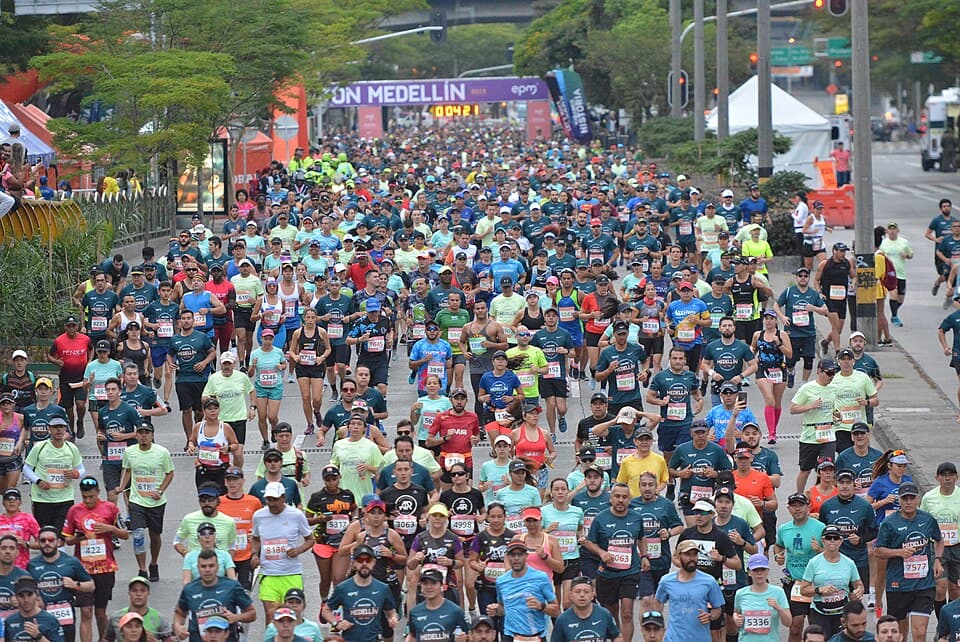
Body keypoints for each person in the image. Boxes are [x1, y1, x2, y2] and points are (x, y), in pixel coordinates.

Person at [875, 481, 942, 642]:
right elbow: (878, 551)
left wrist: (938, 560)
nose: (909, 502)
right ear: (899, 500)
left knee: (919, 632)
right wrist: (899, 552)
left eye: (912, 498)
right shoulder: (889, 523)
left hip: (924, 584)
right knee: (901, 635)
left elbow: (939, 540)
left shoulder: (927, 519)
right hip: (898, 585)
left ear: (918, 499)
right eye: (905, 499)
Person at [62, 477, 127, 642]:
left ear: (98, 493)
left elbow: (125, 534)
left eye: (91, 496)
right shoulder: (74, 511)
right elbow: (67, 539)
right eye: (85, 497)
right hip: (82, 569)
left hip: (105, 567)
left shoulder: (110, 508)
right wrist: (81, 538)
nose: (88, 500)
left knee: (100, 611)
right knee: (86, 611)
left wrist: (110, 528)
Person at [251, 481, 315, 620]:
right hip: (268, 574)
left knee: (292, 617)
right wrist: (255, 554)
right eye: (268, 500)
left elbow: (310, 539)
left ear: (283, 498)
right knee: (271, 616)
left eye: (275, 499)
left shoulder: (296, 515)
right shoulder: (259, 516)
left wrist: (298, 550)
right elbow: (255, 539)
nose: (272, 503)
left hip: (291, 573)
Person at [28, 525, 95, 642]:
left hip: (65, 613)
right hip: (42, 614)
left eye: (51, 540)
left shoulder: (71, 562)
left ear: (58, 542)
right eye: (43, 541)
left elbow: (91, 586)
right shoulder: (32, 565)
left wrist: (75, 585)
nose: (47, 543)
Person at [321, 544, 399, 642]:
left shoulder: (383, 588)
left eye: (368, 560)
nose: (364, 564)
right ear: (354, 563)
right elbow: (326, 611)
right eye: (360, 560)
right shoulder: (343, 588)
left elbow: (391, 612)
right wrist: (337, 623)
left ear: (374, 562)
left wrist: (393, 619)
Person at [173, 550, 256, 642]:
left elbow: (252, 613)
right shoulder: (190, 589)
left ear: (217, 567)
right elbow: (179, 613)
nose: (207, 570)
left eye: (211, 566)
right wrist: (178, 627)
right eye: (203, 566)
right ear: (198, 568)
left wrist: (236, 617)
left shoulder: (231, 586)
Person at [818, 469, 876, 601]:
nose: (844, 486)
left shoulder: (865, 506)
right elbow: (821, 530)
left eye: (848, 482)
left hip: (858, 560)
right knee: (835, 597)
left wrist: (861, 539)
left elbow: (874, 530)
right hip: (833, 560)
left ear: (854, 484)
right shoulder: (827, 506)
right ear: (836, 484)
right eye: (841, 482)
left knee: (855, 600)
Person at [775, 493, 826, 642]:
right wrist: (778, 556)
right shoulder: (784, 529)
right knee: (795, 627)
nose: (797, 509)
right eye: (794, 506)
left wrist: (820, 550)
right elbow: (778, 546)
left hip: (816, 583)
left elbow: (833, 554)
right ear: (789, 508)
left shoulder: (820, 527)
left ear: (808, 507)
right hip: (795, 583)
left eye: (801, 505)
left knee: (816, 628)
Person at [798, 524, 864, 637]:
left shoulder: (849, 563)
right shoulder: (814, 562)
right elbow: (803, 590)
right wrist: (819, 589)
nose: (832, 541)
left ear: (841, 541)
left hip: (842, 613)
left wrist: (858, 591)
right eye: (829, 538)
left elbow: (858, 584)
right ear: (823, 540)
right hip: (820, 612)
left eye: (836, 538)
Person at [486, 539, 560, 640]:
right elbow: (503, 609)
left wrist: (541, 606)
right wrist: (495, 610)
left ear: (526, 556)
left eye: (520, 554)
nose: (516, 558)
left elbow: (556, 611)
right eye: (512, 555)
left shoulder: (541, 577)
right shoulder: (501, 581)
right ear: (507, 557)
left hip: (536, 636)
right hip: (510, 635)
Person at [653, 539, 725, 642]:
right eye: (687, 554)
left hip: (700, 638)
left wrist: (710, 616)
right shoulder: (667, 581)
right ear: (678, 556)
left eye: (694, 554)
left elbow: (717, 609)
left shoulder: (709, 581)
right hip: (674, 638)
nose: (692, 558)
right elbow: (658, 601)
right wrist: (658, 622)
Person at [22, 416, 84, 530]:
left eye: (61, 427)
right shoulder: (40, 447)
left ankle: (60, 548)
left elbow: (81, 469)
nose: (58, 430)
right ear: (49, 429)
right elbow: (26, 468)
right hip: (42, 498)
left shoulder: (71, 448)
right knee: (46, 534)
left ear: (65, 429)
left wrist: (76, 474)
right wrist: (38, 481)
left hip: (65, 498)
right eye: (55, 427)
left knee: (61, 535)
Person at [304, 465, 356, 600]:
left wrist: (353, 520)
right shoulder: (317, 497)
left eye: (334, 478)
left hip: (342, 542)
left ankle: (338, 605)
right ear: (323, 480)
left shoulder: (347, 495)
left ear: (339, 478)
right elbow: (306, 520)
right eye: (328, 479)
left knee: (339, 578)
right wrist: (319, 519)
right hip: (323, 542)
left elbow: (355, 510)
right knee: (325, 579)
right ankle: (324, 601)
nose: (331, 482)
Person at [790, 359, 840, 493]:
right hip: (810, 434)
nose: (831, 376)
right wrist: (809, 406)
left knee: (827, 468)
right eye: (828, 373)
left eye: (833, 373)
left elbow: (835, 408)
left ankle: (826, 495)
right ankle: (799, 496)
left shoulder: (834, 388)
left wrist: (837, 415)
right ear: (819, 371)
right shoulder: (807, 388)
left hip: (828, 434)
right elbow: (793, 409)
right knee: (805, 470)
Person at [168, 310, 216, 447]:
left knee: (200, 411)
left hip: (200, 379)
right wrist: (170, 363)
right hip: (182, 379)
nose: (186, 321)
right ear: (179, 322)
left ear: (193, 320)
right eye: (183, 318)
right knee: (186, 409)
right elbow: (170, 354)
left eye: (189, 318)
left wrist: (204, 363)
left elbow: (212, 352)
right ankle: (190, 440)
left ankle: (199, 433)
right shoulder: (175, 339)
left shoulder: (202, 337)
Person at [201, 351, 256, 458]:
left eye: (229, 364)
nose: (226, 367)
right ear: (220, 364)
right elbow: (204, 397)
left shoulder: (241, 377)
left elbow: (252, 391)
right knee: (221, 452)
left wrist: (252, 408)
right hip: (222, 420)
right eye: (224, 364)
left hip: (239, 418)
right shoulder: (214, 378)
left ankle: (237, 474)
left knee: (238, 453)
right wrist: (211, 400)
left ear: (234, 364)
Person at [48, 316, 92, 440]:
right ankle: (71, 431)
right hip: (65, 378)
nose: (71, 328)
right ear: (65, 327)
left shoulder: (85, 339)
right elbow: (49, 355)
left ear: (77, 326)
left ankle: (80, 422)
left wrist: (89, 361)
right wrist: (57, 362)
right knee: (69, 409)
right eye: (69, 326)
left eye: (73, 326)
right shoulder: (59, 341)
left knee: (80, 404)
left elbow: (91, 349)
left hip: (81, 377)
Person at [733, 553, 792, 642]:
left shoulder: (778, 592)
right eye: (755, 570)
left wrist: (778, 608)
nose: (759, 573)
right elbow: (736, 612)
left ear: (767, 571)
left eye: (762, 569)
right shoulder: (741, 593)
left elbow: (788, 623)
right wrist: (736, 618)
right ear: (749, 572)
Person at [406, 567, 471, 642]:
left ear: (442, 586)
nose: (429, 587)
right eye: (425, 583)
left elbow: (470, 635)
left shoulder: (456, 611)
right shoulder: (414, 612)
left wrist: (464, 639)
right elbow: (412, 636)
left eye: (433, 583)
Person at [550, 576, 621, 642]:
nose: (582, 595)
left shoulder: (604, 614)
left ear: (592, 595)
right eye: (577, 592)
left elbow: (617, 636)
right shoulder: (562, 619)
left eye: (586, 592)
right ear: (570, 595)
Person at [102, 576, 173, 642]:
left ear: (148, 593)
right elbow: (107, 639)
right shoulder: (116, 617)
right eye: (134, 590)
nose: (138, 594)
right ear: (129, 593)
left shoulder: (159, 618)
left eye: (142, 590)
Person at [813, 244, 855, 355]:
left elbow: (853, 276)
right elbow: (816, 280)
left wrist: (853, 284)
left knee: (839, 329)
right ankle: (838, 352)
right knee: (835, 326)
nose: (843, 253)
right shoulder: (825, 264)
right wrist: (819, 293)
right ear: (834, 251)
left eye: (844, 251)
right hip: (829, 299)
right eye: (841, 251)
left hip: (841, 299)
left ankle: (825, 342)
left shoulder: (846, 263)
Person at [4, 575, 65, 642]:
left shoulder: (50, 620)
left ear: (36, 595)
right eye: (21, 596)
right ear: (16, 597)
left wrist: (39, 636)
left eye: (29, 595)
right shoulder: (10, 621)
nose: (26, 600)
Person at [878, 223, 913, 328]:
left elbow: (911, 254)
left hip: (900, 273)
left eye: (894, 229)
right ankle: (894, 316)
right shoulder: (883, 243)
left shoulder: (904, 242)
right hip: (888, 274)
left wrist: (906, 255)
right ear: (887, 231)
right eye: (890, 229)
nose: (892, 231)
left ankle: (894, 310)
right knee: (893, 293)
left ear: (898, 230)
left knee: (901, 298)